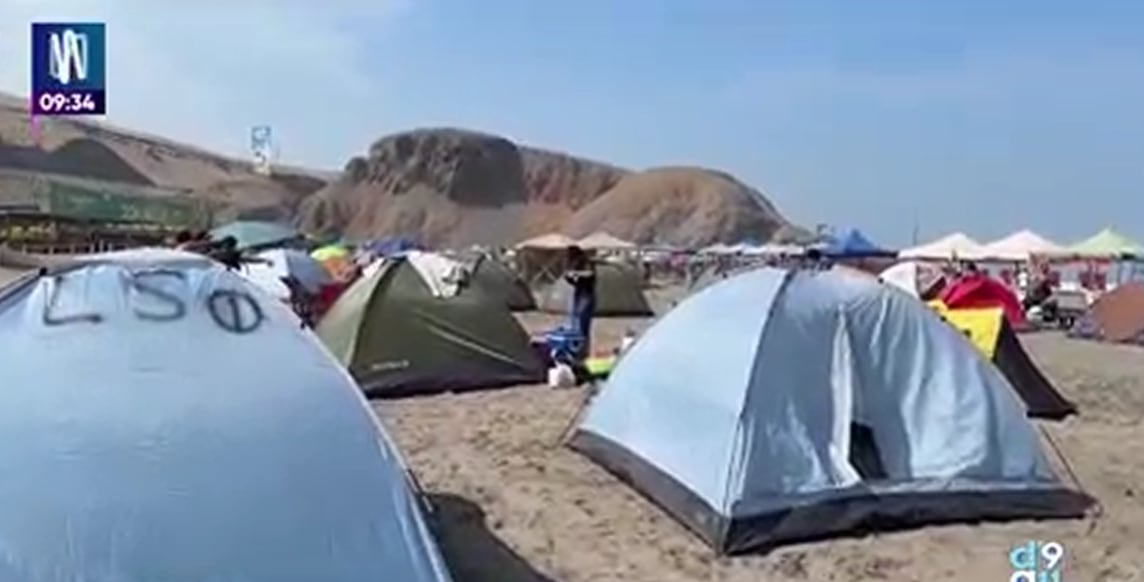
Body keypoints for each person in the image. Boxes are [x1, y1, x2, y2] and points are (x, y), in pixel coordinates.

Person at [563, 246, 597, 358]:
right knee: (575, 321)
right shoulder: (573, 263)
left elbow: (590, 274)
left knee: (582, 321)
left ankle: (583, 350)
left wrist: (576, 274)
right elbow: (571, 280)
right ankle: (577, 349)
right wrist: (569, 276)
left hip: (587, 294)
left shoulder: (586, 262)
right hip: (579, 293)